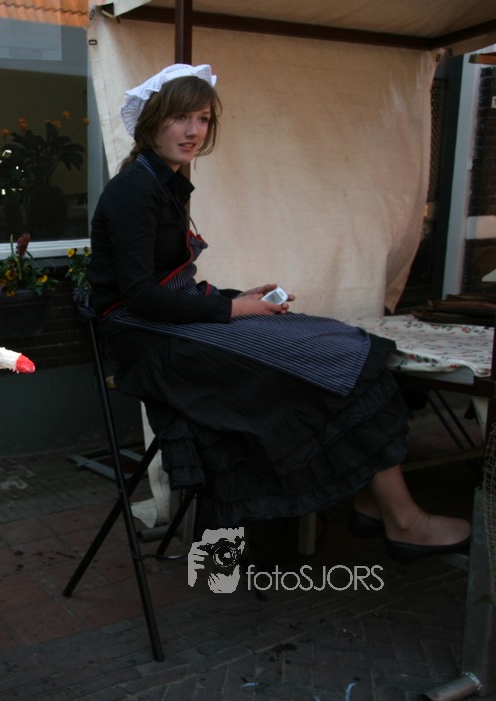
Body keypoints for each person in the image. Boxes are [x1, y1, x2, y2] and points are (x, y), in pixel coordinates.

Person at [88, 63, 470, 564]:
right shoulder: (134, 189)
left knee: (336, 340)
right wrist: (234, 308)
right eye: (180, 118)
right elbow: (141, 296)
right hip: (150, 342)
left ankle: (370, 501)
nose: (193, 131)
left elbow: (169, 282)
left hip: (171, 325)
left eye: (202, 119)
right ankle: (404, 522)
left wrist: (239, 297)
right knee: (331, 361)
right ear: (152, 121)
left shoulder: (165, 182)